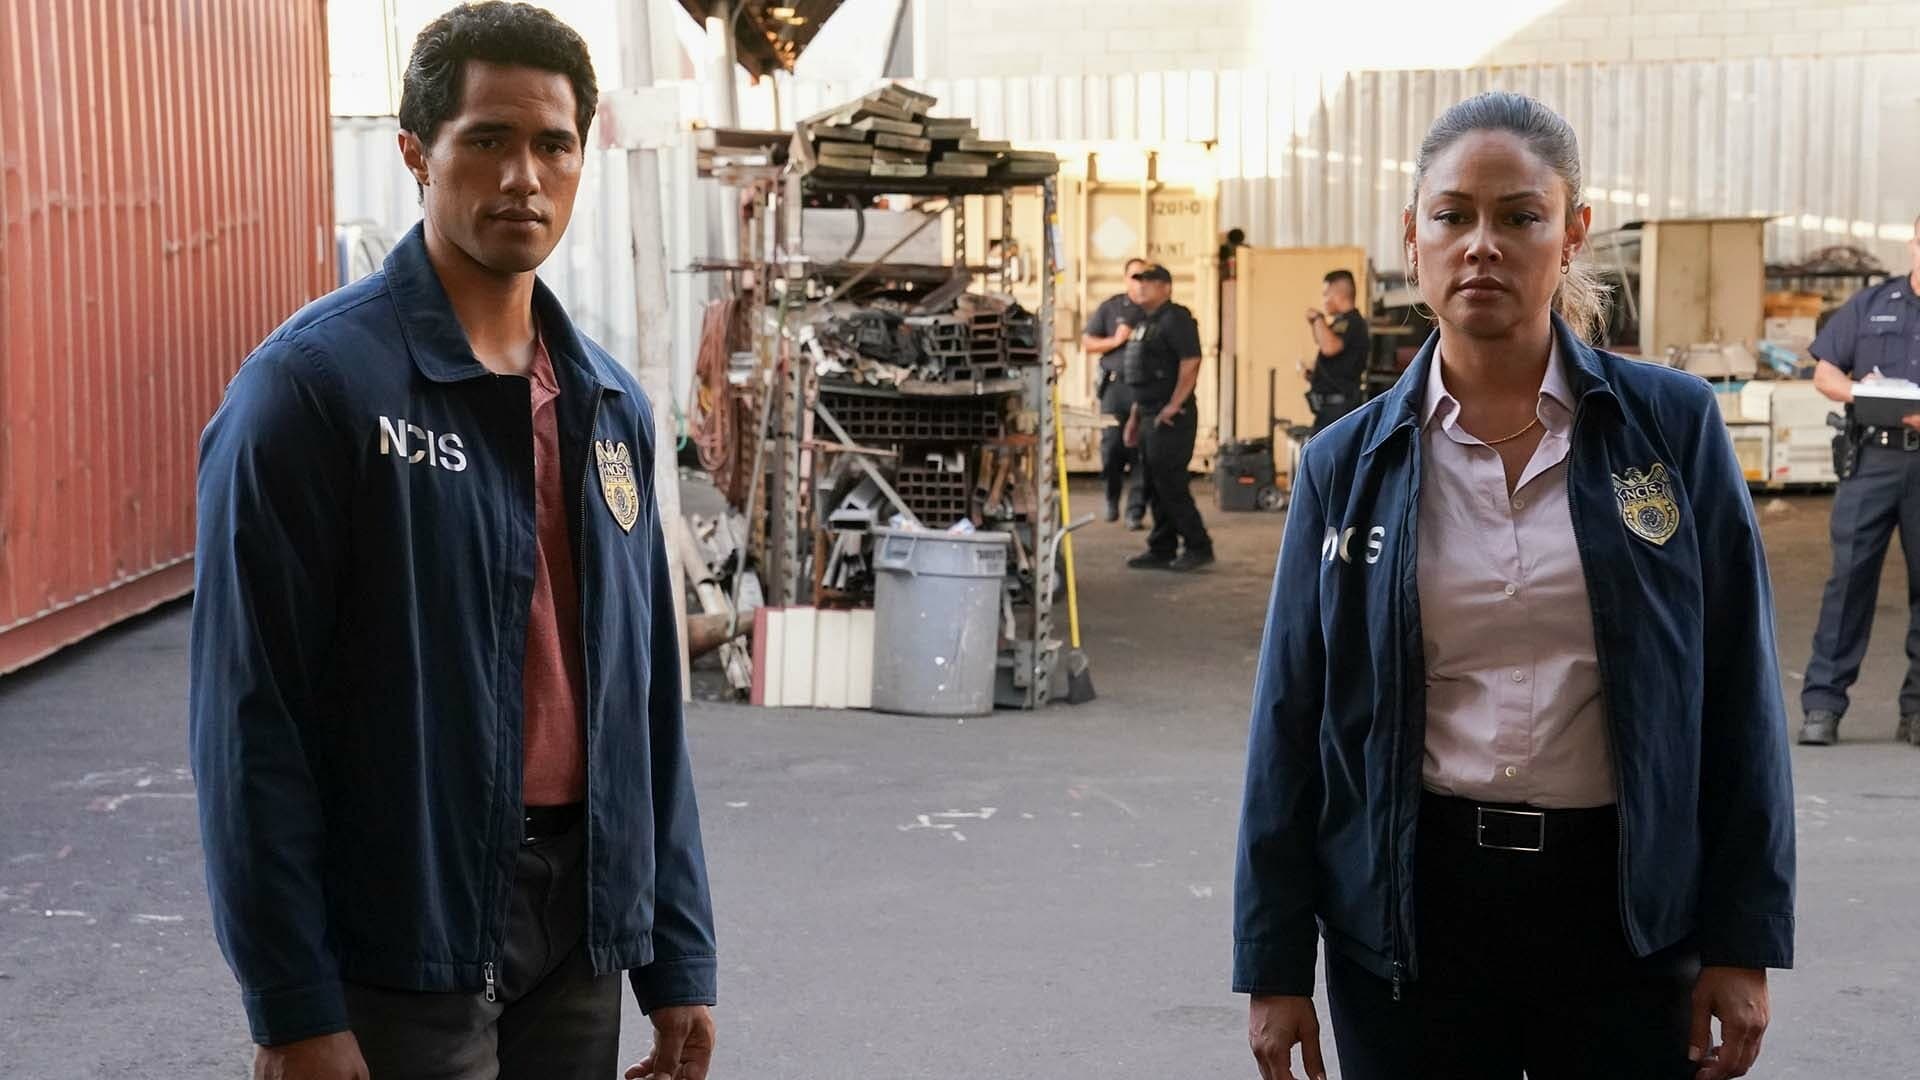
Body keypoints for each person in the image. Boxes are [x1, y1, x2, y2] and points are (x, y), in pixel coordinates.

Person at [190, 6, 717, 1080]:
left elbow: (646, 704)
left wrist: (676, 956)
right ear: (415, 153)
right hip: (402, 929)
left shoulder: (609, 407)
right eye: (487, 139)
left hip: (578, 927)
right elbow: (251, 718)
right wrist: (291, 1003)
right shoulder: (313, 391)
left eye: (553, 144)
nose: (524, 176)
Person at [1234, 91, 1794, 1080]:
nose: (1481, 245)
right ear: (1413, 238)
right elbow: (1291, 717)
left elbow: (1738, 690)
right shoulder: (1343, 465)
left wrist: (1741, 940)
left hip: (1624, 913)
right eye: (1453, 216)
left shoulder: (1671, 429)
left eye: (1520, 216)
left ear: (1571, 233)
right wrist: (1273, 964)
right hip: (1412, 916)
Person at [1798, 216, 1920, 748]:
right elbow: (1825, 373)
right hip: (1872, 461)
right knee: (1847, 583)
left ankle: (1916, 711)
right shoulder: (1872, 304)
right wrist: (1868, 395)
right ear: (1914, 242)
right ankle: (1822, 705)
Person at [1121, 264, 1215, 572]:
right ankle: (1162, 547)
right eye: (1138, 281)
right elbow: (1143, 376)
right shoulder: (1145, 322)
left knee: (1171, 483)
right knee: (1153, 483)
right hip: (1149, 414)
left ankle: (1198, 545)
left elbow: (1191, 361)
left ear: (1166, 287)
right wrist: (1134, 418)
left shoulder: (1176, 318)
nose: (1141, 286)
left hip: (1172, 417)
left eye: (1149, 282)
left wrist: (1175, 404)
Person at [1082, 256, 1150, 528]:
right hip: (1114, 387)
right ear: (1126, 279)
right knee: (1111, 447)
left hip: (1144, 389)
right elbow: (1088, 342)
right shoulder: (1111, 308)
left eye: (1146, 277)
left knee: (1141, 451)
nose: (1141, 283)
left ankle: (1135, 511)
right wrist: (1116, 340)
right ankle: (1111, 498)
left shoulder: (1154, 311)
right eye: (1135, 277)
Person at [1302, 269, 1370, 433]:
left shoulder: (1352, 322)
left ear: (1340, 294)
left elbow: (1329, 347)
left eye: (1326, 294)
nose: (1323, 300)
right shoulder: (1341, 322)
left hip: (1339, 410)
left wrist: (1317, 318)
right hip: (1330, 410)